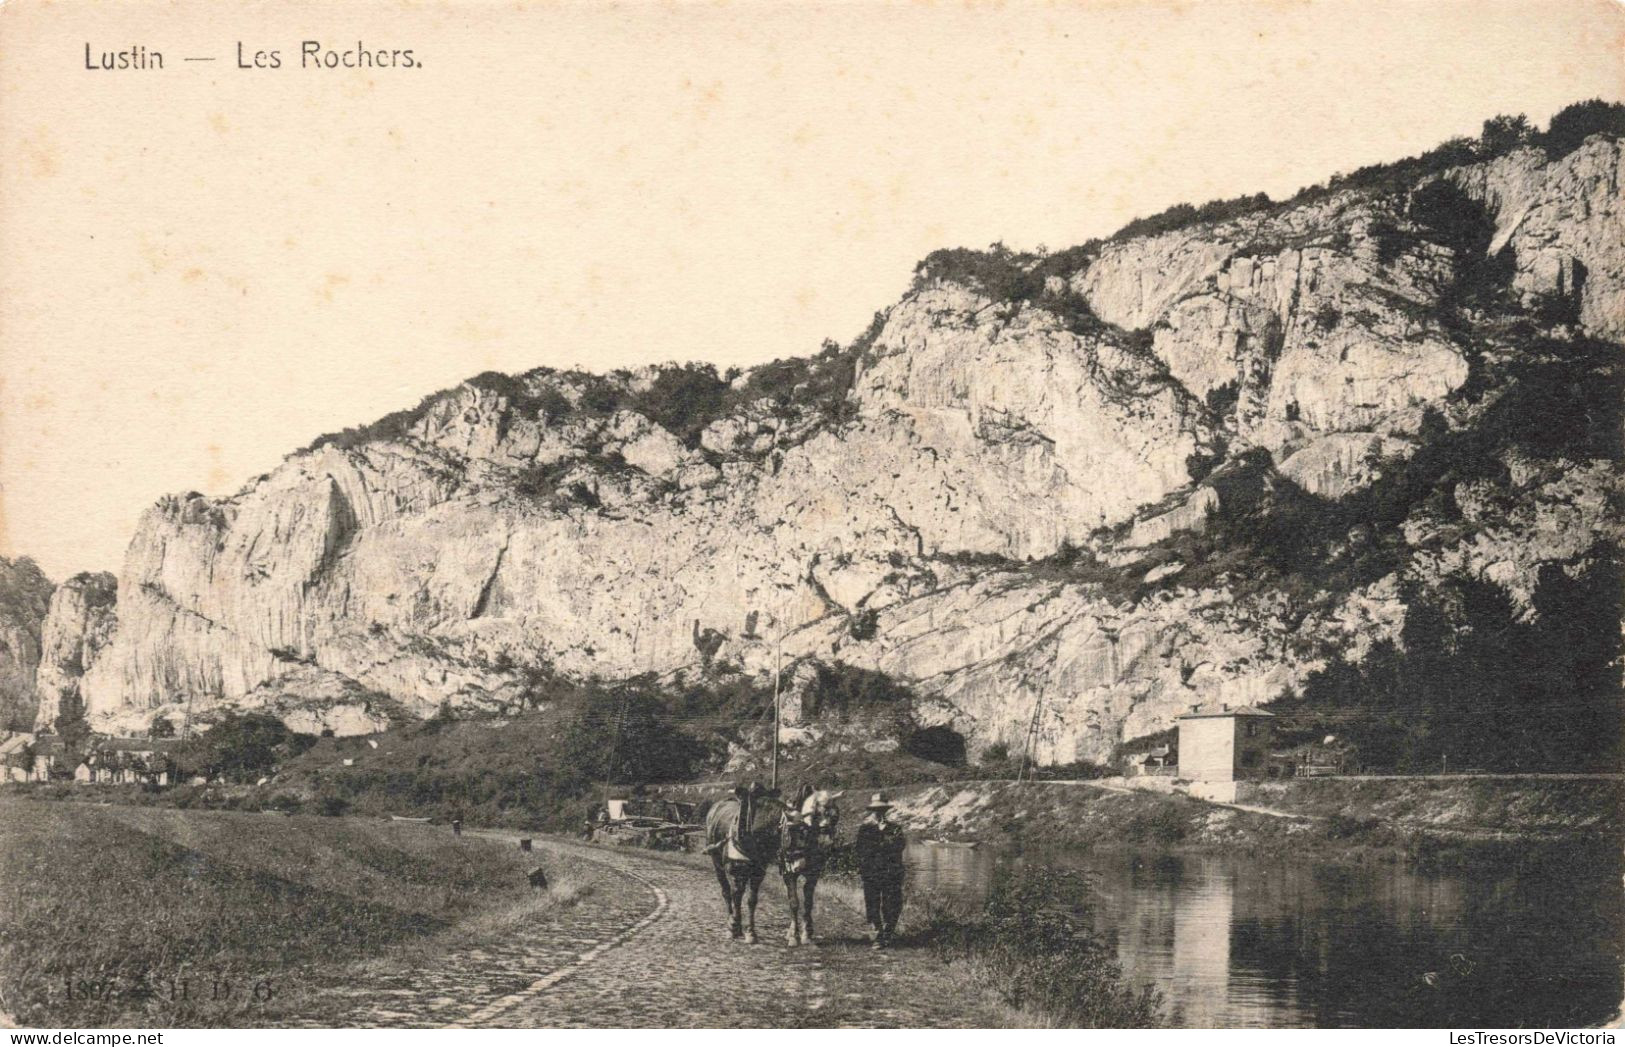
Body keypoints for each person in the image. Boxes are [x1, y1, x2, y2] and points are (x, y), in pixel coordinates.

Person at [854, 791, 906, 948]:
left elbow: (900, 846)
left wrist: (883, 837)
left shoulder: (895, 828)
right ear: (872, 811)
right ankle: (877, 934)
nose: (879, 813)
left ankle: (888, 932)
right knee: (872, 903)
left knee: (893, 904)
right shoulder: (865, 829)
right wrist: (882, 842)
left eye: (882, 810)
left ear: (886, 811)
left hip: (892, 873)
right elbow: (861, 850)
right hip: (871, 873)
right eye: (876, 810)